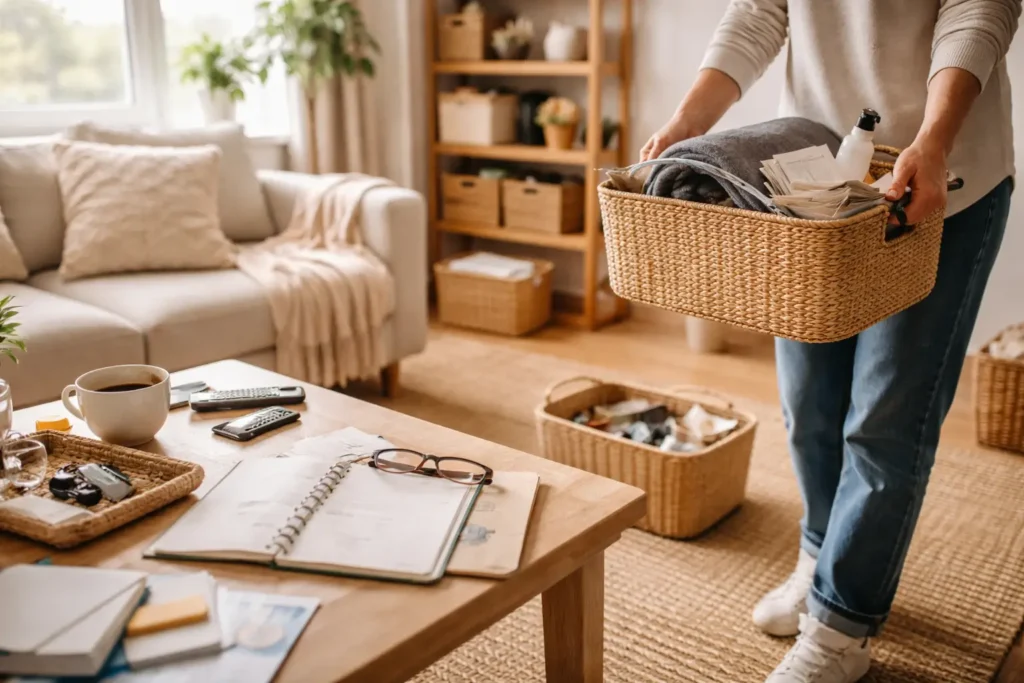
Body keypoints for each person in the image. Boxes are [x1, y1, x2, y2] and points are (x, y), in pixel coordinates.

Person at [640, 2, 1020, 682]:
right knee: (809, 402)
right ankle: (820, 559)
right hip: (814, 176)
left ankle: (841, 627)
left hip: (942, 177)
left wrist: (933, 138)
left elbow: (978, 13)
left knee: (886, 421)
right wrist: (687, 122)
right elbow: (760, 12)